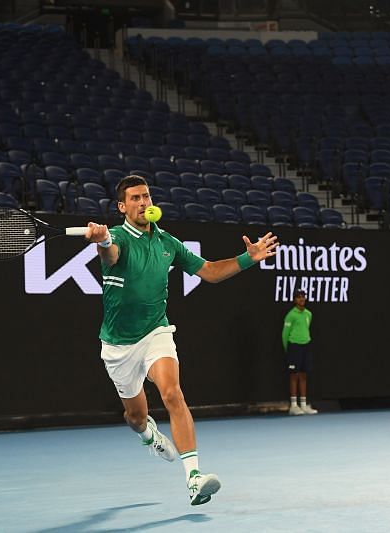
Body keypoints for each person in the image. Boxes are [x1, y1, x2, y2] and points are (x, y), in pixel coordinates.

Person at [84, 175, 279, 506]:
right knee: (134, 417)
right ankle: (149, 435)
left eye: (146, 196)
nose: (143, 202)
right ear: (122, 206)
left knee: (173, 393)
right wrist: (102, 240)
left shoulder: (167, 243)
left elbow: (211, 272)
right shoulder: (117, 237)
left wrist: (248, 258)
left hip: (156, 331)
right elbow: (111, 254)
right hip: (118, 346)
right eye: (135, 198)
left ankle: (193, 478)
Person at [282, 289, 318, 416]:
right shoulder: (291, 315)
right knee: (294, 375)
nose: (301, 299)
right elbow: (285, 334)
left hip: (306, 346)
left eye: (303, 297)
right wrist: (288, 349)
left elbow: (306, 329)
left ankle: (303, 405)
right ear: (294, 300)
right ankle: (293, 405)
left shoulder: (309, 314)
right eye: (298, 297)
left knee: (303, 375)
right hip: (294, 347)